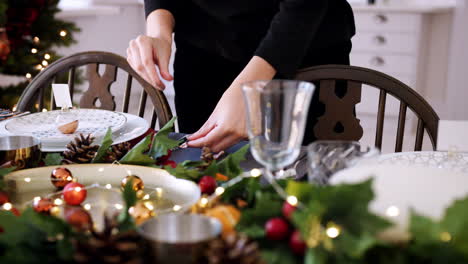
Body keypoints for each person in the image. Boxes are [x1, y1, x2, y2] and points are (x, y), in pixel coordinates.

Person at [127, 0, 355, 152]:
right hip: (204, 58)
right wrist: (159, 32)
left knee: (310, 192)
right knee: (207, 186)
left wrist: (250, 86)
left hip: (302, 53)